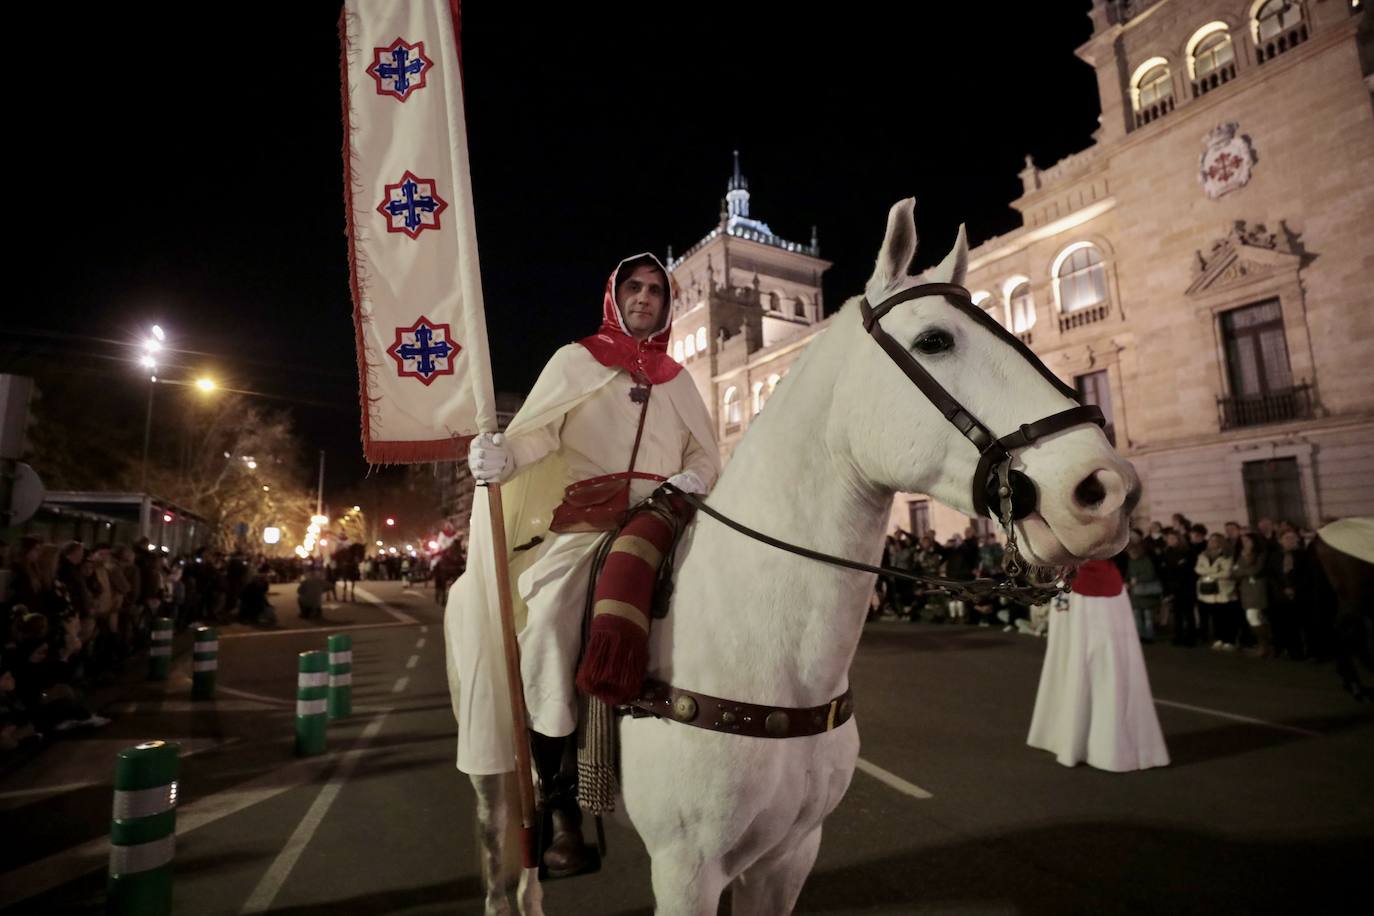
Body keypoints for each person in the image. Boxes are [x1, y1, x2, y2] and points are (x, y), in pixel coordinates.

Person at [450, 252, 720, 877]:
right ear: (615, 295)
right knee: (547, 623)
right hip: (589, 520)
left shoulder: (679, 379)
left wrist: (687, 478)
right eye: (635, 287)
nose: (646, 297)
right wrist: (502, 455)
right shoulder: (577, 360)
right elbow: (538, 435)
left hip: (668, 515)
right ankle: (560, 797)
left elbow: (708, 458)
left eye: (657, 289)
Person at [1027, 559, 1170, 771]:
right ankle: (1069, 736)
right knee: (1071, 661)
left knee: (1103, 667)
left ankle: (1102, 744)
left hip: (1094, 590)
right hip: (1071, 587)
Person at [1196, 533, 1238, 651]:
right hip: (1209, 590)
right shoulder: (1203, 555)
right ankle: (1219, 638)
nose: (1212, 542)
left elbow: (1227, 572)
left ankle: (1230, 640)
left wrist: (1208, 572)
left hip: (1224, 590)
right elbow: (1198, 569)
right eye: (1211, 540)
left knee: (1227, 617)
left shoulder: (1227, 555)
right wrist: (1214, 570)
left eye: (1215, 540)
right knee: (1216, 617)